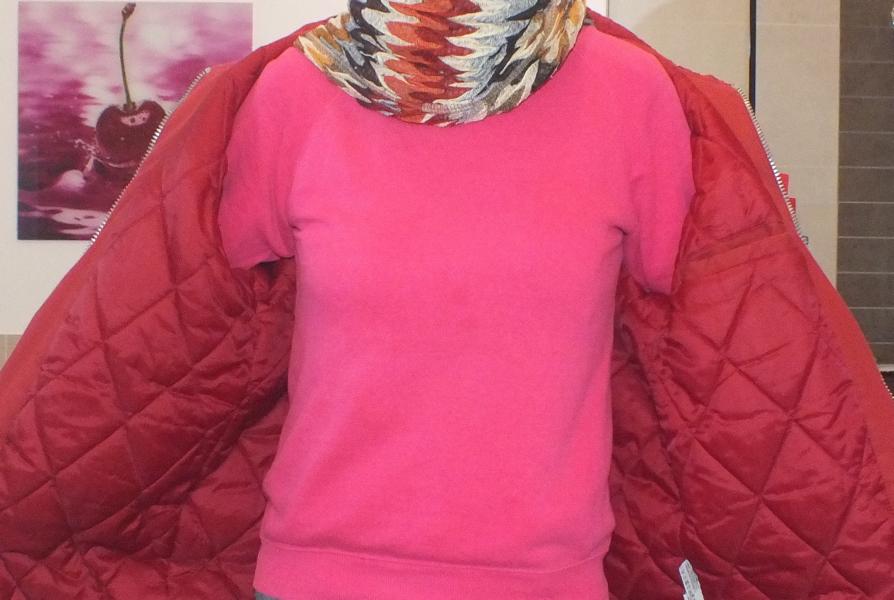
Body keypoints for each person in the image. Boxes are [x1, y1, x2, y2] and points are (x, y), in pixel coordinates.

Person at [2, 3, 893, 599]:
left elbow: (712, 351)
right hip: (317, 577)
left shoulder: (633, 98)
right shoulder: (291, 98)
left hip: (544, 581)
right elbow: (194, 332)